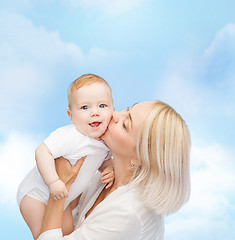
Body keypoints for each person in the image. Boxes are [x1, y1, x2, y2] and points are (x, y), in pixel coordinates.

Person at [37, 100, 191, 240]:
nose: (115, 114)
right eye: (127, 110)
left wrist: (59, 190)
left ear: (140, 158)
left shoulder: (128, 213)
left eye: (125, 125)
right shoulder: (108, 175)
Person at [17, 74, 115, 239]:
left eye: (102, 105)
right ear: (71, 116)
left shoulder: (105, 141)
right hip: (36, 195)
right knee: (43, 233)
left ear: (113, 109)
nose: (95, 113)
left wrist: (109, 168)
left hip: (64, 200)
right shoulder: (70, 136)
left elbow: (102, 161)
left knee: (68, 233)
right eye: (85, 107)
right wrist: (53, 181)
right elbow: (42, 151)